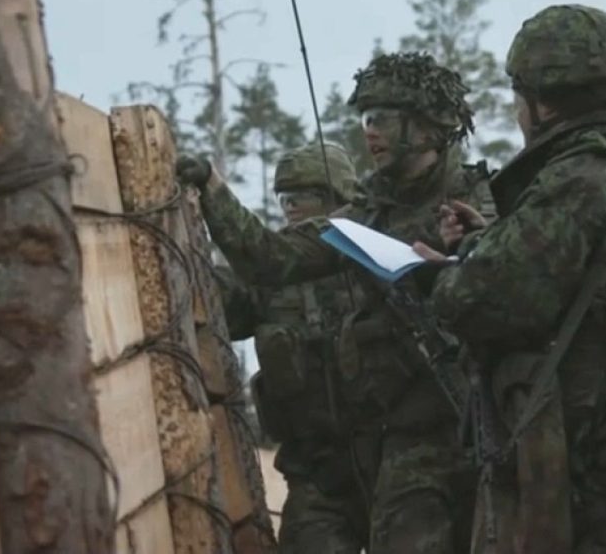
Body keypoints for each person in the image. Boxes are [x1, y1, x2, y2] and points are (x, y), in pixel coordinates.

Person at [414, 5, 606, 553]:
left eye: (519, 95)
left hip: (575, 461)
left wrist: (440, 276)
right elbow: (583, 275)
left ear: (542, 101)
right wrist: (484, 243)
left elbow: (489, 300)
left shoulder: (581, 175)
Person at [179, 52, 493, 553]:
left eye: (382, 118)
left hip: (468, 433)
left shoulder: (484, 203)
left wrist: (470, 252)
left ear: (430, 126)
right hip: (393, 443)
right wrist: (213, 190)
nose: (370, 132)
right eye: (365, 119)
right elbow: (272, 259)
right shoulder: (366, 216)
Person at [215, 142, 368, 553]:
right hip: (317, 472)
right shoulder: (268, 275)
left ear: (336, 199)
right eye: (285, 197)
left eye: (304, 195)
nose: (291, 206)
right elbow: (222, 308)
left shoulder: (371, 257)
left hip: (390, 460)